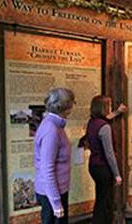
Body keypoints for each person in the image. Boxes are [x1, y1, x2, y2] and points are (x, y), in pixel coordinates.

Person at [34, 88, 76, 224]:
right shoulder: (51, 130)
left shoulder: (54, 125)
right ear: (66, 107)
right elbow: (47, 169)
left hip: (56, 191)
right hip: (51, 194)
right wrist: (56, 203)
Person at [85, 95, 127, 224]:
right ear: (103, 108)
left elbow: (106, 119)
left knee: (101, 198)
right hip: (103, 168)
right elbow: (109, 154)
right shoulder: (105, 127)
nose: (110, 108)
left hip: (93, 166)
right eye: (108, 106)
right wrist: (117, 174)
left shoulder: (92, 122)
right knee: (106, 202)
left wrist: (117, 112)